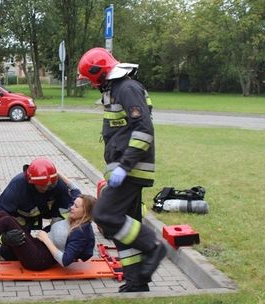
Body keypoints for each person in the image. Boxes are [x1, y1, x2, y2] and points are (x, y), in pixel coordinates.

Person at [77, 47, 166, 292]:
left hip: (132, 169)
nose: (91, 83)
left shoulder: (127, 89)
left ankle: (154, 247)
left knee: (105, 216)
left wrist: (124, 167)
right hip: (125, 168)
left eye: (90, 78)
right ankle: (137, 281)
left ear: (98, 73)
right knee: (125, 225)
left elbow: (143, 130)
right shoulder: (115, 89)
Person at [0, 194, 96, 271]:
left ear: (85, 212)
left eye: (76, 206)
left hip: (38, 260)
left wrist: (46, 239)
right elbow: (72, 186)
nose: (71, 207)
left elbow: (65, 261)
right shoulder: (75, 219)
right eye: (73, 204)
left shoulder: (80, 232)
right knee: (2, 215)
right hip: (37, 246)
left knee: (6, 221)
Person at [0, 157, 78, 260]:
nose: (46, 188)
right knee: (17, 252)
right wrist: (4, 238)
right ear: (31, 182)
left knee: (49, 247)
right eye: (42, 186)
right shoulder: (17, 186)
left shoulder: (58, 186)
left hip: (49, 224)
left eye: (50, 185)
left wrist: (63, 238)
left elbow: (67, 215)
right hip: (19, 223)